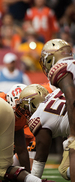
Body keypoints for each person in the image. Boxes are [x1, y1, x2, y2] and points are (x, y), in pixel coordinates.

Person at [39, 38, 75, 181]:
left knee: (73, 149)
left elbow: (72, 98)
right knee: (64, 169)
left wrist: (72, 135)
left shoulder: (60, 68)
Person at [25, 87, 70, 180]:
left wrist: (33, 180)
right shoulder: (56, 92)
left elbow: (40, 158)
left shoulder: (38, 117)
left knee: (64, 169)